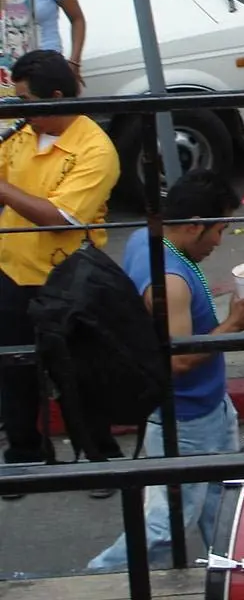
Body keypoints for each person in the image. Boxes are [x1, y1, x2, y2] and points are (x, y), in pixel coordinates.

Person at [87, 171, 244, 570]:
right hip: (186, 420)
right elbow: (177, 361)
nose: (220, 242)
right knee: (165, 526)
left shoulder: (145, 239)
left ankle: (230, 574)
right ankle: (93, 580)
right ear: (193, 226)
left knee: (221, 505)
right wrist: (234, 325)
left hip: (209, 407)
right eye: (218, 231)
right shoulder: (170, 281)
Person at [0, 50, 120, 471]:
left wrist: (2, 190)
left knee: (77, 376)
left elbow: (57, 218)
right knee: (13, 370)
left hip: (69, 279)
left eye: (27, 103)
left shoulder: (96, 149)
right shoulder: (20, 133)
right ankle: (24, 452)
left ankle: (98, 458)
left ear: (55, 96)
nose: (20, 112)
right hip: (12, 269)